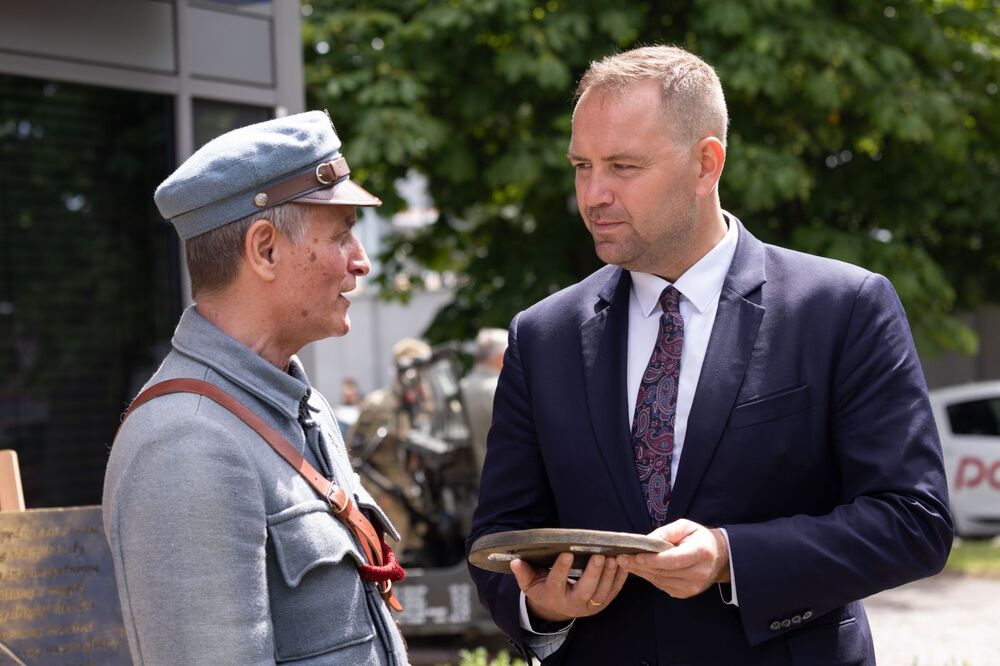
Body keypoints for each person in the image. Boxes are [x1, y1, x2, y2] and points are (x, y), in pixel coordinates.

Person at [467, 45, 953, 665]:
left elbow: (914, 522)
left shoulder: (841, 307)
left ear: (706, 164)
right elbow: (498, 538)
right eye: (581, 166)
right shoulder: (543, 334)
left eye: (622, 166)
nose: (593, 194)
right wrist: (543, 606)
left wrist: (730, 557)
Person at [103, 111, 408, 665]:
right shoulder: (186, 442)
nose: (360, 261)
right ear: (265, 249)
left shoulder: (297, 405)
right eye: (341, 235)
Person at [459, 327, 508, 470]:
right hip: (501, 481)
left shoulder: (459, 389)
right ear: (501, 357)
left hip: (468, 484)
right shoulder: (501, 390)